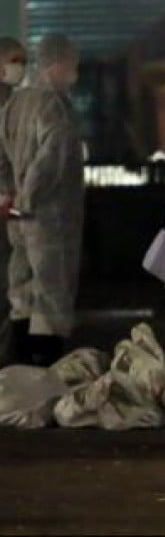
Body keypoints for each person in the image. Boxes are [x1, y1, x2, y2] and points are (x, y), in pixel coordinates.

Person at [0, 34, 84, 366]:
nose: (73, 74)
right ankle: (46, 373)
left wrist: (8, 195)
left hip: (18, 217)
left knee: (23, 290)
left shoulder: (14, 104)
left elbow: (1, 158)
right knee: (52, 294)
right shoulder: (52, 105)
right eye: (72, 67)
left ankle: (22, 373)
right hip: (49, 217)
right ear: (57, 65)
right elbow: (50, 158)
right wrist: (30, 196)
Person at [0, 38, 25, 367]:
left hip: (14, 209)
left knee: (13, 288)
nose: (21, 68)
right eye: (15, 60)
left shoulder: (19, 105)